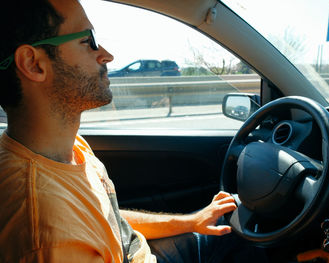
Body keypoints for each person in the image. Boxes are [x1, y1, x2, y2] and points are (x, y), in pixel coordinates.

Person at [0, 0, 268, 262]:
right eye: (88, 40)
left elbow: (105, 219)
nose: (106, 54)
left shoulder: (68, 148)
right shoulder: (50, 236)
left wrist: (190, 221)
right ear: (34, 64)